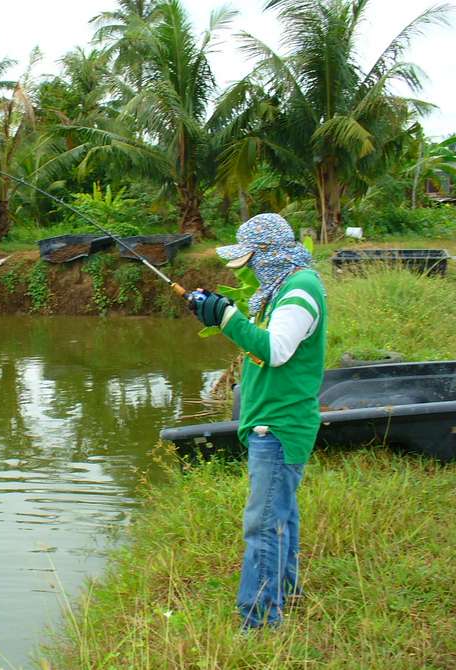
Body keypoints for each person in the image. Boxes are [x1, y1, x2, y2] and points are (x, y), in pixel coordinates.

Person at [188, 213, 327, 630]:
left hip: (280, 425)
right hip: (274, 420)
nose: (247, 268)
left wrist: (227, 320)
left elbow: (276, 349)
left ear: (268, 254)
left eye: (250, 260)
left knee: (263, 524)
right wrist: (219, 311)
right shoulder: (286, 286)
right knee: (279, 516)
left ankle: (261, 622)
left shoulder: (299, 291)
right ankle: (284, 594)